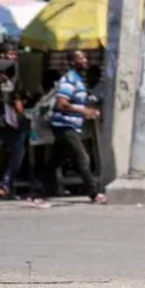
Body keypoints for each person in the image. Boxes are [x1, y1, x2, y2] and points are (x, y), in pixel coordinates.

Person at [46, 50, 105, 204]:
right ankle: (94, 193)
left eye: (86, 57)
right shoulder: (69, 80)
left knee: (55, 161)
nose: (85, 60)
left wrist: (89, 110)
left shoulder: (79, 81)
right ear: (72, 62)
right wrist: (83, 111)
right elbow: (61, 103)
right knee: (82, 157)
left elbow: (77, 102)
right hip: (64, 125)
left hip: (70, 125)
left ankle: (39, 191)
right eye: (80, 58)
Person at [0, 43, 40, 202]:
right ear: (1, 55)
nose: (13, 57)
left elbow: (17, 98)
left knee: (19, 151)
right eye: (10, 54)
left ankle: (7, 185)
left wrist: (24, 116)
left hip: (9, 120)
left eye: (15, 54)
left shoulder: (14, 74)